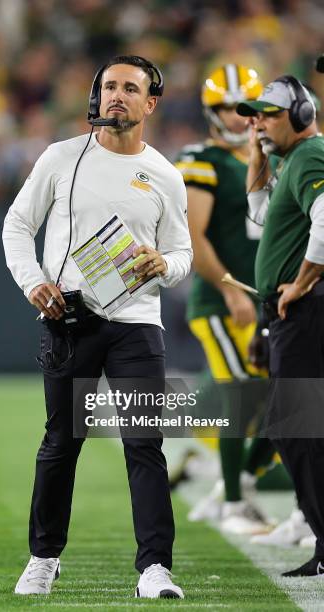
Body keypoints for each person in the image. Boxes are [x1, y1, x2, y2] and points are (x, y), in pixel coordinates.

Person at [2, 55, 192, 599]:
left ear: (149, 103)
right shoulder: (61, 158)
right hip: (70, 320)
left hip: (137, 324)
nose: (115, 96)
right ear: (96, 94)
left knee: (145, 444)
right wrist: (32, 281)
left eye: (129, 88)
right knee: (62, 441)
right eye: (108, 86)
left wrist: (166, 264)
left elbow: (182, 252)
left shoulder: (164, 174)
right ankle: (43, 558)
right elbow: (18, 224)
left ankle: (154, 568)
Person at [174, 64, 276, 535]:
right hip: (221, 301)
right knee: (239, 393)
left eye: (244, 108)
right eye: (226, 109)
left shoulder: (270, 155)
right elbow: (193, 238)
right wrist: (232, 289)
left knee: (287, 401)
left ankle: (233, 486)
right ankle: (234, 503)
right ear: (210, 110)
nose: (237, 118)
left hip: (269, 299)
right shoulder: (202, 159)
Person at [236, 74, 324, 576]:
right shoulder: (291, 161)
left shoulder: (311, 155)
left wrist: (303, 281)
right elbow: (261, 219)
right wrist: (258, 158)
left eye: (268, 114)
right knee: (297, 428)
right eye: (255, 115)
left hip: (305, 310)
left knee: (297, 427)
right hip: (291, 312)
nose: (257, 123)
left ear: (300, 116)